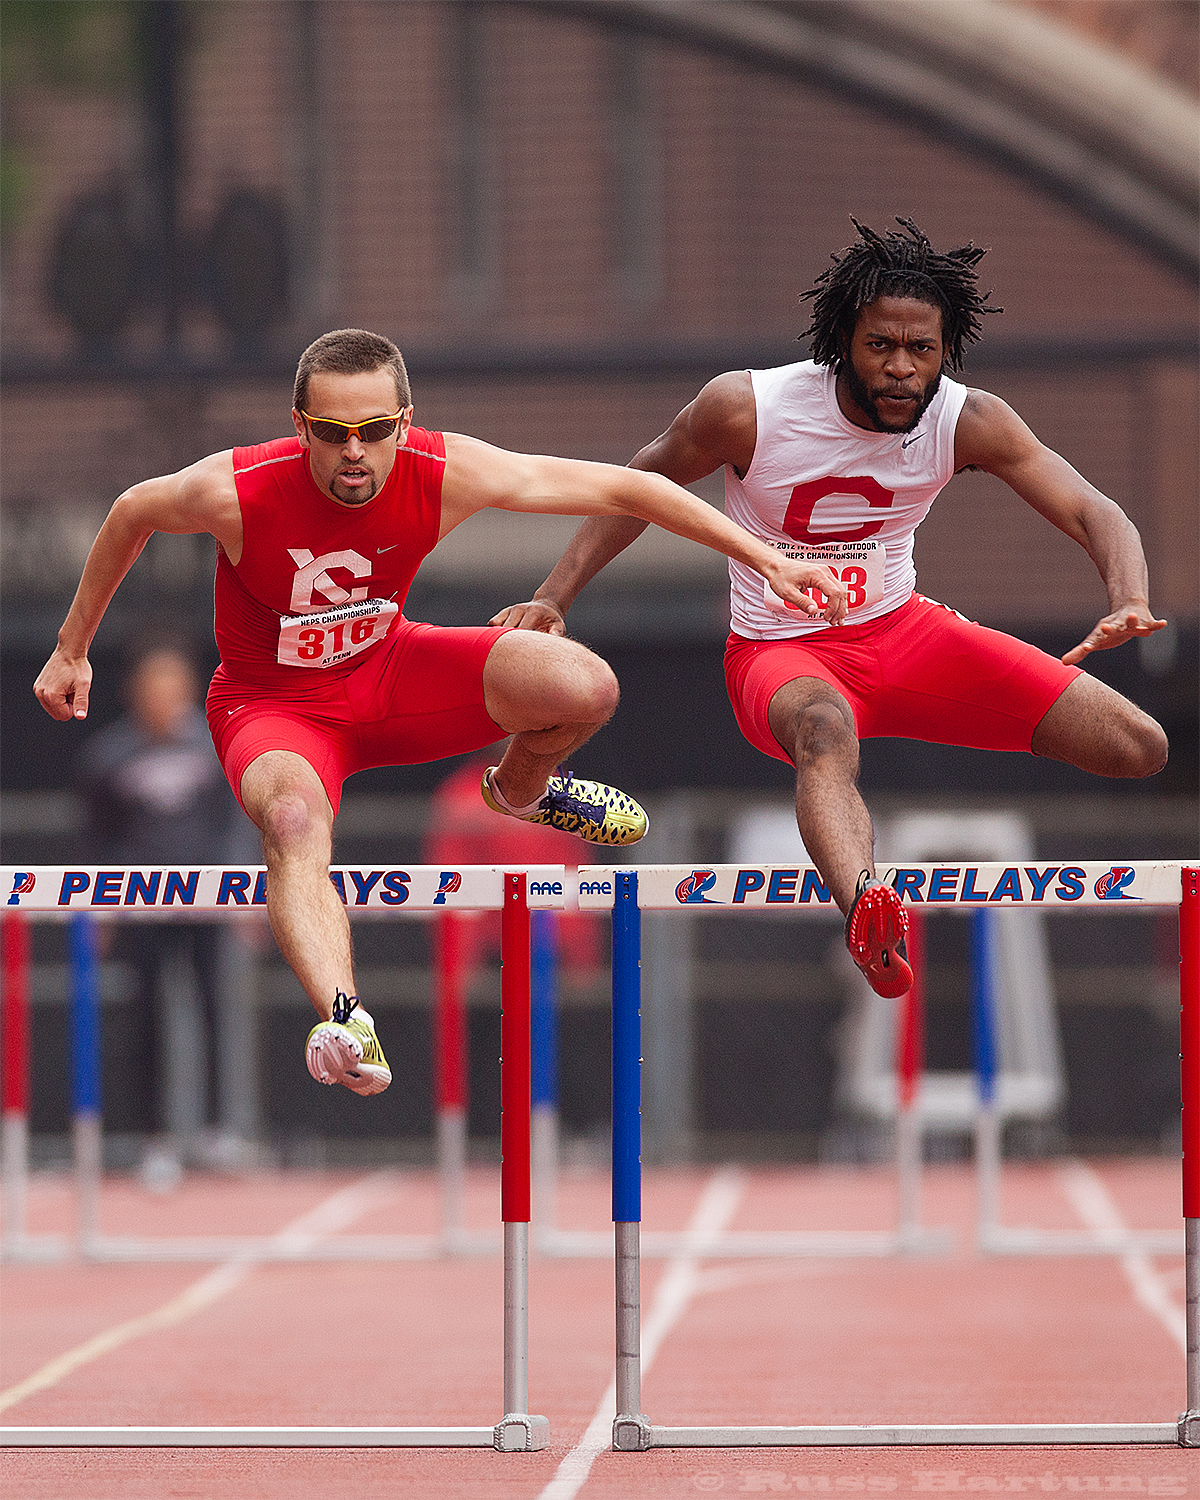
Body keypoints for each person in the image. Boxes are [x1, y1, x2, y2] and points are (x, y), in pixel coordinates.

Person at [34, 327, 851, 1097]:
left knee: (585, 686)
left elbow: (630, 485)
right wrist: (73, 649)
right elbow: (132, 510)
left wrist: (767, 559)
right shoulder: (236, 488)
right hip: (277, 709)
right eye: (332, 431)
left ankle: (524, 788)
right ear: (300, 426)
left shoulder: (445, 469)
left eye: (376, 429)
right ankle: (348, 1022)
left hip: (393, 675)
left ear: (405, 421)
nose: (355, 452)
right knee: (289, 822)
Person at [492, 218, 1169, 1000]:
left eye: (922, 350)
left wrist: (1129, 597)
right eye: (881, 346)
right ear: (842, 340)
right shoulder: (748, 408)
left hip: (906, 636)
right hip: (783, 654)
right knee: (826, 732)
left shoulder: (967, 419)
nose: (902, 372)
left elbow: (1095, 509)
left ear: (946, 348)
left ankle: (872, 898)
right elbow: (639, 488)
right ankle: (869, 914)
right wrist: (554, 595)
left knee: (1137, 745)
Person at [75, 642, 252, 1176]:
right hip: (140, 906)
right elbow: (95, 840)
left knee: (214, 1007)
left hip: (207, 900)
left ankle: (219, 1132)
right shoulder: (109, 758)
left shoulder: (213, 749)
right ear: (136, 692)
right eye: (152, 685)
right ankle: (153, 1140)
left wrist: (244, 896)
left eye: (172, 684)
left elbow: (234, 823)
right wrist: (98, 908)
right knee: (146, 1016)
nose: (162, 696)